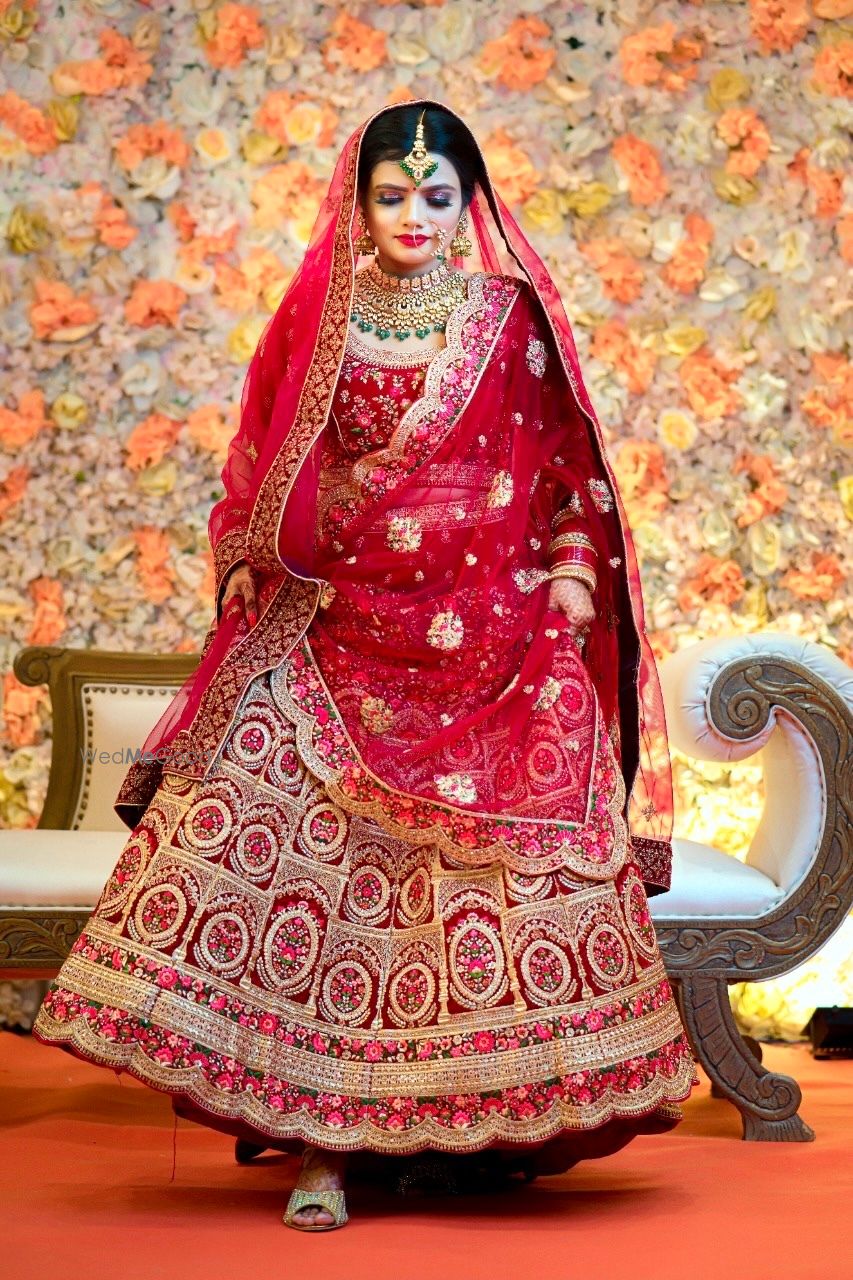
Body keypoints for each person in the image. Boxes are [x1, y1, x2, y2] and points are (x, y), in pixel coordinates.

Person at [32, 100, 698, 1232]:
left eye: (436, 196)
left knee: (463, 896)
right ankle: (319, 1142)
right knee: (321, 886)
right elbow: (263, 458)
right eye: (393, 195)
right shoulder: (320, 314)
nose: (414, 216)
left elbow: (563, 474)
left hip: (491, 640)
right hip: (337, 627)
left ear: (468, 203)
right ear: (360, 201)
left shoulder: (507, 319)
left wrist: (573, 575)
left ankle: (453, 1126)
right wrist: (244, 560)